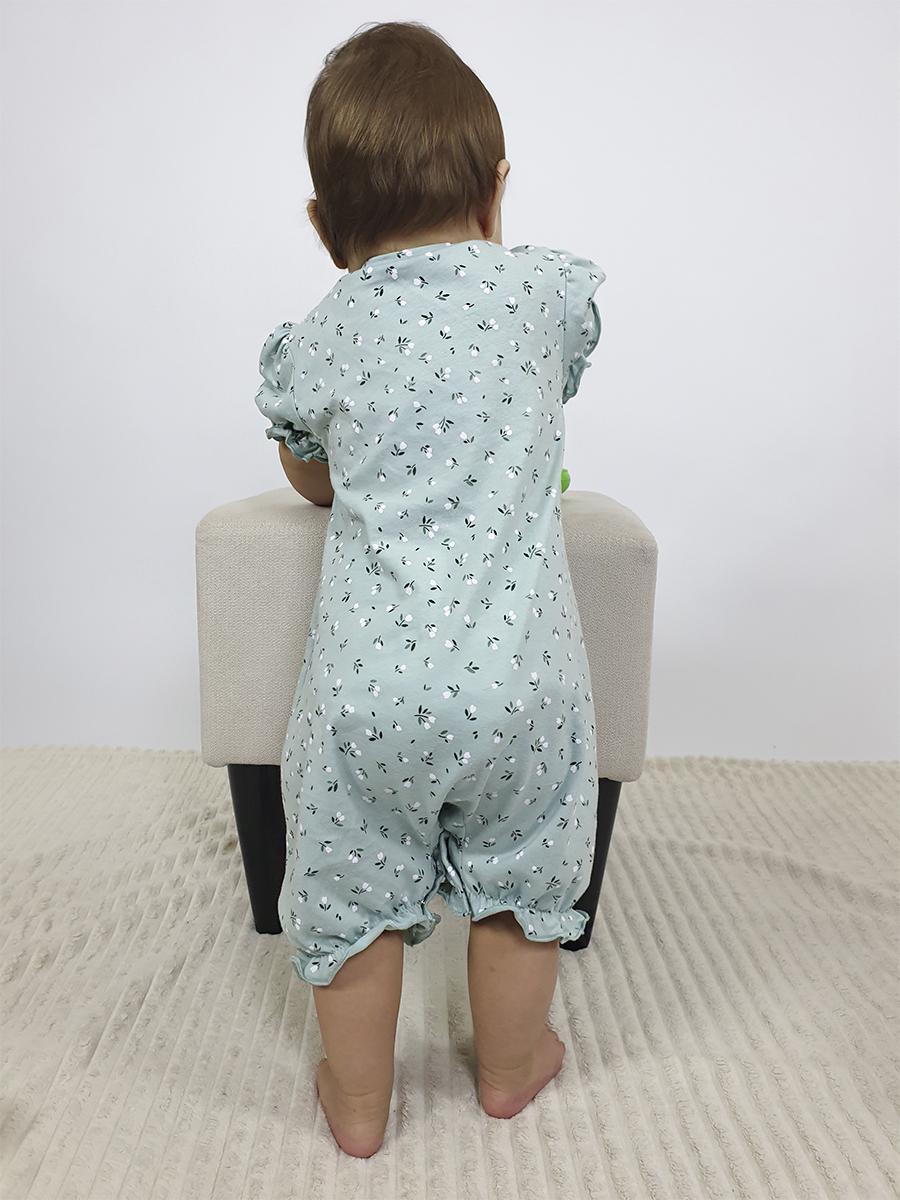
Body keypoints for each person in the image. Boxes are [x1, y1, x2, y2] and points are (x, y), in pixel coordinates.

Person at [253, 20, 606, 1159]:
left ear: (325, 228)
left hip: (367, 693)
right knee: (519, 884)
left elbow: (310, 472)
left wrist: (338, 461)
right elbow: (538, 398)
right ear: (497, 190)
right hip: (524, 684)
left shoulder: (327, 331)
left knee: (353, 893)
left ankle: (359, 1107)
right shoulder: (542, 297)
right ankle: (510, 1071)